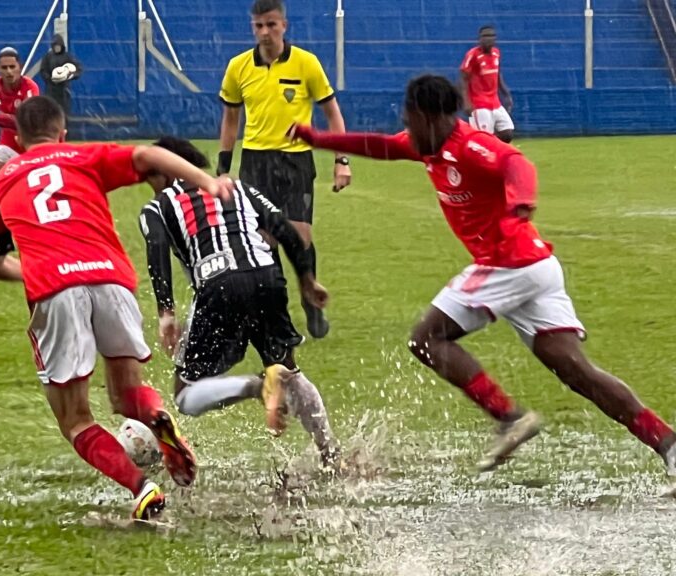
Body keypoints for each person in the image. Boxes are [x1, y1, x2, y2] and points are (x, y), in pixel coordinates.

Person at [288, 75, 676, 478]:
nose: (405, 126)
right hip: (535, 268)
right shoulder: (427, 144)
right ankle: (668, 443)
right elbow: (382, 146)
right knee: (579, 373)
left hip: (508, 264)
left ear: (431, 117)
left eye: (410, 117)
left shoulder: (469, 145)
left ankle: (509, 417)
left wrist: (521, 201)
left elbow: (515, 162)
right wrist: (318, 138)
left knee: (426, 339)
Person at [0, 96, 235, 520]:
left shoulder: (4, 179)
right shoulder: (83, 155)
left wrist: (41, 270)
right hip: (112, 279)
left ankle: (142, 488)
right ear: (63, 133)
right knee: (126, 395)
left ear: (19, 140)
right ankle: (157, 418)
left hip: (57, 289)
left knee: (76, 420)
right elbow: (150, 154)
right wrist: (208, 183)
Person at [138, 135, 341, 469]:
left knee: (185, 394)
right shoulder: (238, 188)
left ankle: (257, 386)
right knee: (287, 368)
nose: (151, 188)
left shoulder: (158, 207)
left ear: (168, 171)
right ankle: (330, 452)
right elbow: (285, 231)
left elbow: (157, 247)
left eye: (152, 179)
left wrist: (166, 312)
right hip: (266, 277)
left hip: (219, 285)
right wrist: (307, 279)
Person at [218, 0, 352, 339]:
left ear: (284, 25)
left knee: (299, 236)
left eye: (271, 25)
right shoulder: (238, 67)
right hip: (255, 161)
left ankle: (311, 300)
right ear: (253, 27)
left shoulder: (306, 64)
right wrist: (222, 168)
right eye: (259, 26)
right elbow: (231, 119)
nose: (265, 32)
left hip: (295, 160)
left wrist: (342, 160)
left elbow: (332, 113)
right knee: (263, 243)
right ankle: (277, 316)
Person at [0, 47, 40, 192]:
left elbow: (27, 123)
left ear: (20, 67)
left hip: (29, 144)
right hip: (8, 143)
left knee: (31, 184)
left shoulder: (30, 88)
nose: (9, 72)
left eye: (12, 67)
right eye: (4, 68)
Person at [460, 25, 514, 143]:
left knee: (507, 133)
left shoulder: (496, 53)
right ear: (479, 39)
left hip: (495, 102)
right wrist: (466, 102)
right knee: (483, 138)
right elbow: (464, 79)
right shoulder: (473, 55)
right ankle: (479, 155)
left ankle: (489, 149)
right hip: (479, 104)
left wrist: (506, 93)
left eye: (491, 35)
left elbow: (498, 74)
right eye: (485, 36)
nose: (488, 38)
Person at [39, 34, 82, 118]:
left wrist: (70, 76)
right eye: (55, 46)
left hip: (63, 90)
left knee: (63, 112)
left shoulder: (67, 57)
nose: (57, 48)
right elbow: (43, 70)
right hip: (51, 89)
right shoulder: (48, 56)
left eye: (58, 46)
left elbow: (78, 69)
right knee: (50, 111)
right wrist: (50, 79)